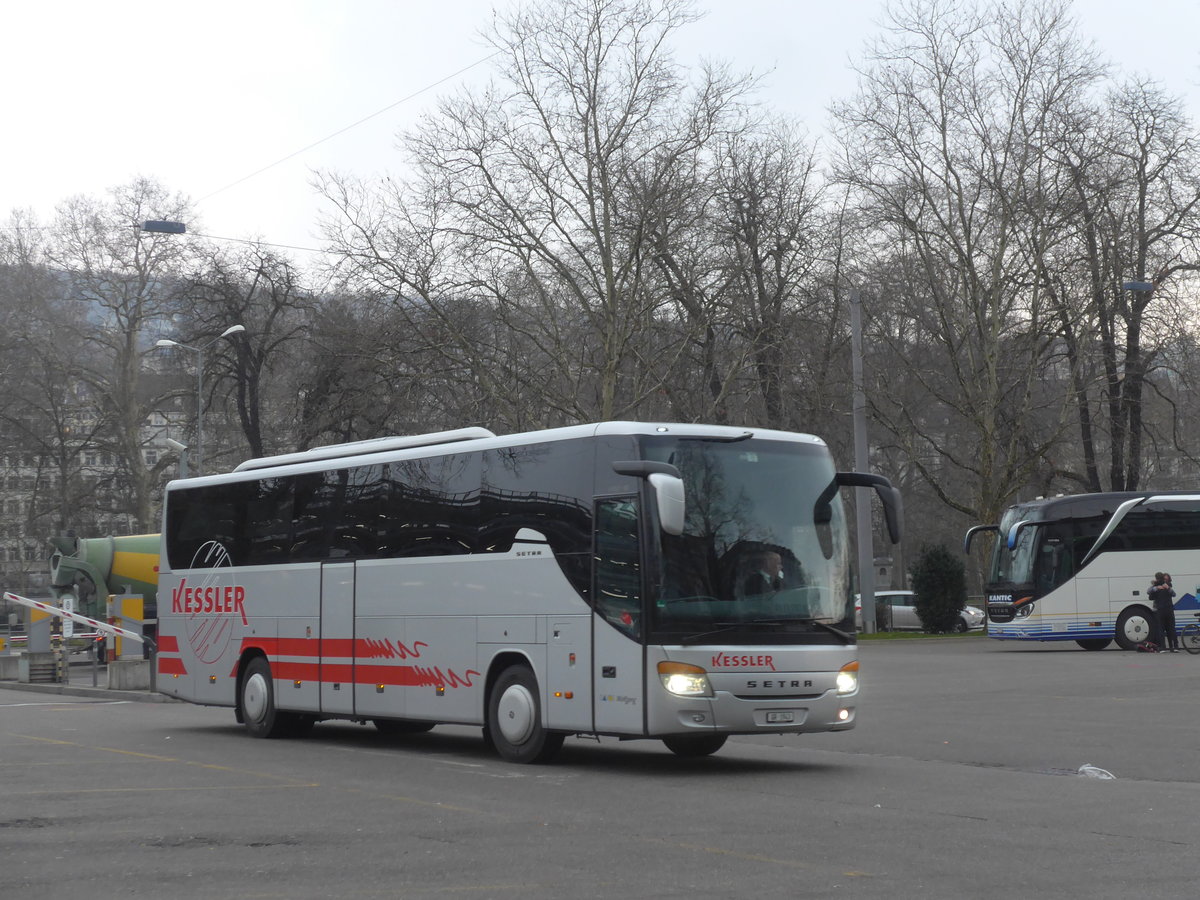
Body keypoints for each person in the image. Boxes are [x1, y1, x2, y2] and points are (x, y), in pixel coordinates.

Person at [1151, 571, 1179, 652]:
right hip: (1168, 609)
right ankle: (1174, 647)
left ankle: (1163, 647)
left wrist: (1156, 587)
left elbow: (1150, 595)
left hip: (1161, 610)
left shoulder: (1157, 587)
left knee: (1161, 629)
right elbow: (1174, 594)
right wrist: (1166, 587)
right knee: (1171, 628)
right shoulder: (1167, 586)